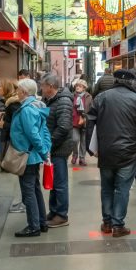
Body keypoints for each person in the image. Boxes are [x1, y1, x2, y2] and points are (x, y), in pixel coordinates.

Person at [87, 69, 136, 237]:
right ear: (132, 82)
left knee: (106, 187)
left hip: (106, 151)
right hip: (129, 152)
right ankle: (118, 225)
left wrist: (91, 147)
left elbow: (90, 122)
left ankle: (107, 223)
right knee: (122, 189)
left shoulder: (101, 98)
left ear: (115, 80)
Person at [9, 78, 51, 237]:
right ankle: (41, 222)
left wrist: (43, 151)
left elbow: (33, 134)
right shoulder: (37, 106)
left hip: (27, 156)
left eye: (18, 90)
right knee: (34, 189)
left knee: (28, 192)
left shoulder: (27, 110)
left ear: (24, 92)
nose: (17, 93)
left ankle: (34, 226)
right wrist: (45, 150)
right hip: (33, 156)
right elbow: (44, 131)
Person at [40, 73, 75, 227]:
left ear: (51, 87)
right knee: (53, 181)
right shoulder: (49, 100)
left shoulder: (63, 101)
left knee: (60, 182)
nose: (41, 88)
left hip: (59, 148)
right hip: (53, 146)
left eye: (43, 86)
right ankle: (54, 211)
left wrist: (49, 143)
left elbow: (64, 126)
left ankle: (61, 214)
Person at [0, 79, 27, 213]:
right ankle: (24, 202)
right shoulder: (10, 104)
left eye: (0, 86)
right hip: (18, 144)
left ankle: (25, 204)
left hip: (20, 145)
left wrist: (3, 125)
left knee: (25, 178)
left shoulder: (13, 105)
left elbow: (18, 125)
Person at [71, 79, 91, 166]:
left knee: (83, 141)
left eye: (80, 86)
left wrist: (87, 118)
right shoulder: (72, 96)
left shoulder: (88, 97)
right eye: (76, 86)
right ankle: (74, 155)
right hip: (74, 121)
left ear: (84, 88)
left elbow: (92, 109)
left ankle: (82, 158)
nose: (77, 87)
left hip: (85, 121)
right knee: (75, 139)